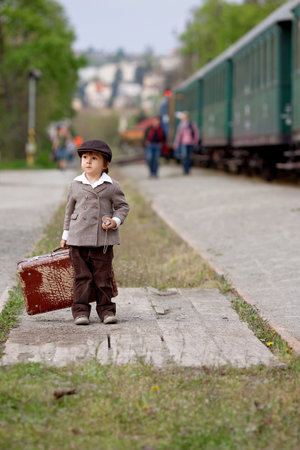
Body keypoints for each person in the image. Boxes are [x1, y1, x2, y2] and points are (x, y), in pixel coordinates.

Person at [60, 139, 130, 326]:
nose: (88, 161)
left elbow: (122, 207)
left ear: (105, 164)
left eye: (94, 158)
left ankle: (106, 310)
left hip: (103, 240)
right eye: (84, 157)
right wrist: (65, 235)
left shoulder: (112, 186)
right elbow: (69, 211)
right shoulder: (75, 184)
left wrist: (114, 221)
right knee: (81, 277)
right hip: (78, 238)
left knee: (103, 276)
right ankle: (80, 311)